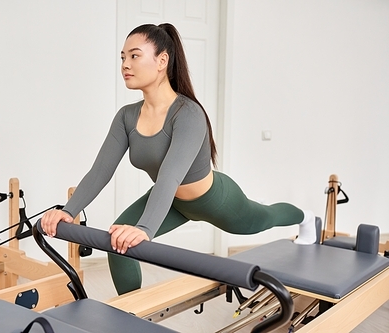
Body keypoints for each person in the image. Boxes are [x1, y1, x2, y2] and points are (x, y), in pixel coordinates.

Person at [41, 23, 317, 295]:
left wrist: (145, 229)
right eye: (123, 57)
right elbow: (100, 171)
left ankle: (306, 218)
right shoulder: (127, 116)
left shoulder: (188, 113)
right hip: (171, 201)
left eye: (134, 56)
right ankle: (133, 317)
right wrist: (68, 211)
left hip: (215, 200)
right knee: (120, 246)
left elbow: (170, 175)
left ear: (162, 61)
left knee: (262, 219)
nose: (125, 64)